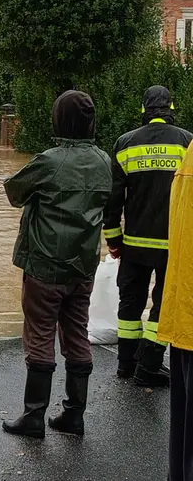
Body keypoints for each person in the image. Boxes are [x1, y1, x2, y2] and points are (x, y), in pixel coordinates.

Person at [2, 90, 112, 439]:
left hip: (45, 267)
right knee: (77, 333)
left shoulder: (50, 161)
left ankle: (34, 416)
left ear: (59, 120)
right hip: (83, 267)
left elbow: (14, 192)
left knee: (39, 335)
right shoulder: (104, 161)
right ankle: (73, 415)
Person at [103, 86, 193, 387]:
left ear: (143, 109)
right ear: (171, 108)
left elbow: (113, 200)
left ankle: (126, 364)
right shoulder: (187, 143)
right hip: (174, 244)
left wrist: (113, 241)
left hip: (134, 243)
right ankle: (150, 365)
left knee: (130, 303)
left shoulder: (125, 144)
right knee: (164, 304)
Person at [158, 141, 193, 481]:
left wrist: (114, 240)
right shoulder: (183, 142)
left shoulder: (191, 152)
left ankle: (136, 364)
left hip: (183, 309)